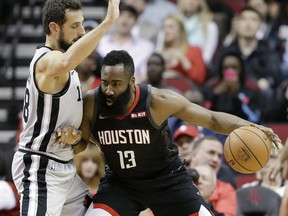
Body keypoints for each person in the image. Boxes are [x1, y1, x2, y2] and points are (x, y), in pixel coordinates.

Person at [55, 50, 281, 216]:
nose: (109, 90)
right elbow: (81, 143)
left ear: (132, 82)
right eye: (105, 83)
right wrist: (73, 139)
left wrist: (249, 127)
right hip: (122, 184)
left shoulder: (158, 101)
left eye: (116, 83)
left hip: (167, 180)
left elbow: (211, 118)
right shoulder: (92, 102)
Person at [11, 0, 120, 215]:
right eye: (74, 26)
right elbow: (64, 62)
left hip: (65, 166)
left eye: (82, 24)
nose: (81, 32)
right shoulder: (47, 60)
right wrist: (108, 22)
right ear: (54, 28)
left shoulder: (69, 69)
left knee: (101, 211)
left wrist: (75, 135)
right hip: (39, 166)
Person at [189, 136, 237, 216]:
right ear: (194, 155)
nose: (215, 159)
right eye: (211, 152)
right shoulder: (175, 178)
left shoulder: (226, 189)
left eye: (219, 156)